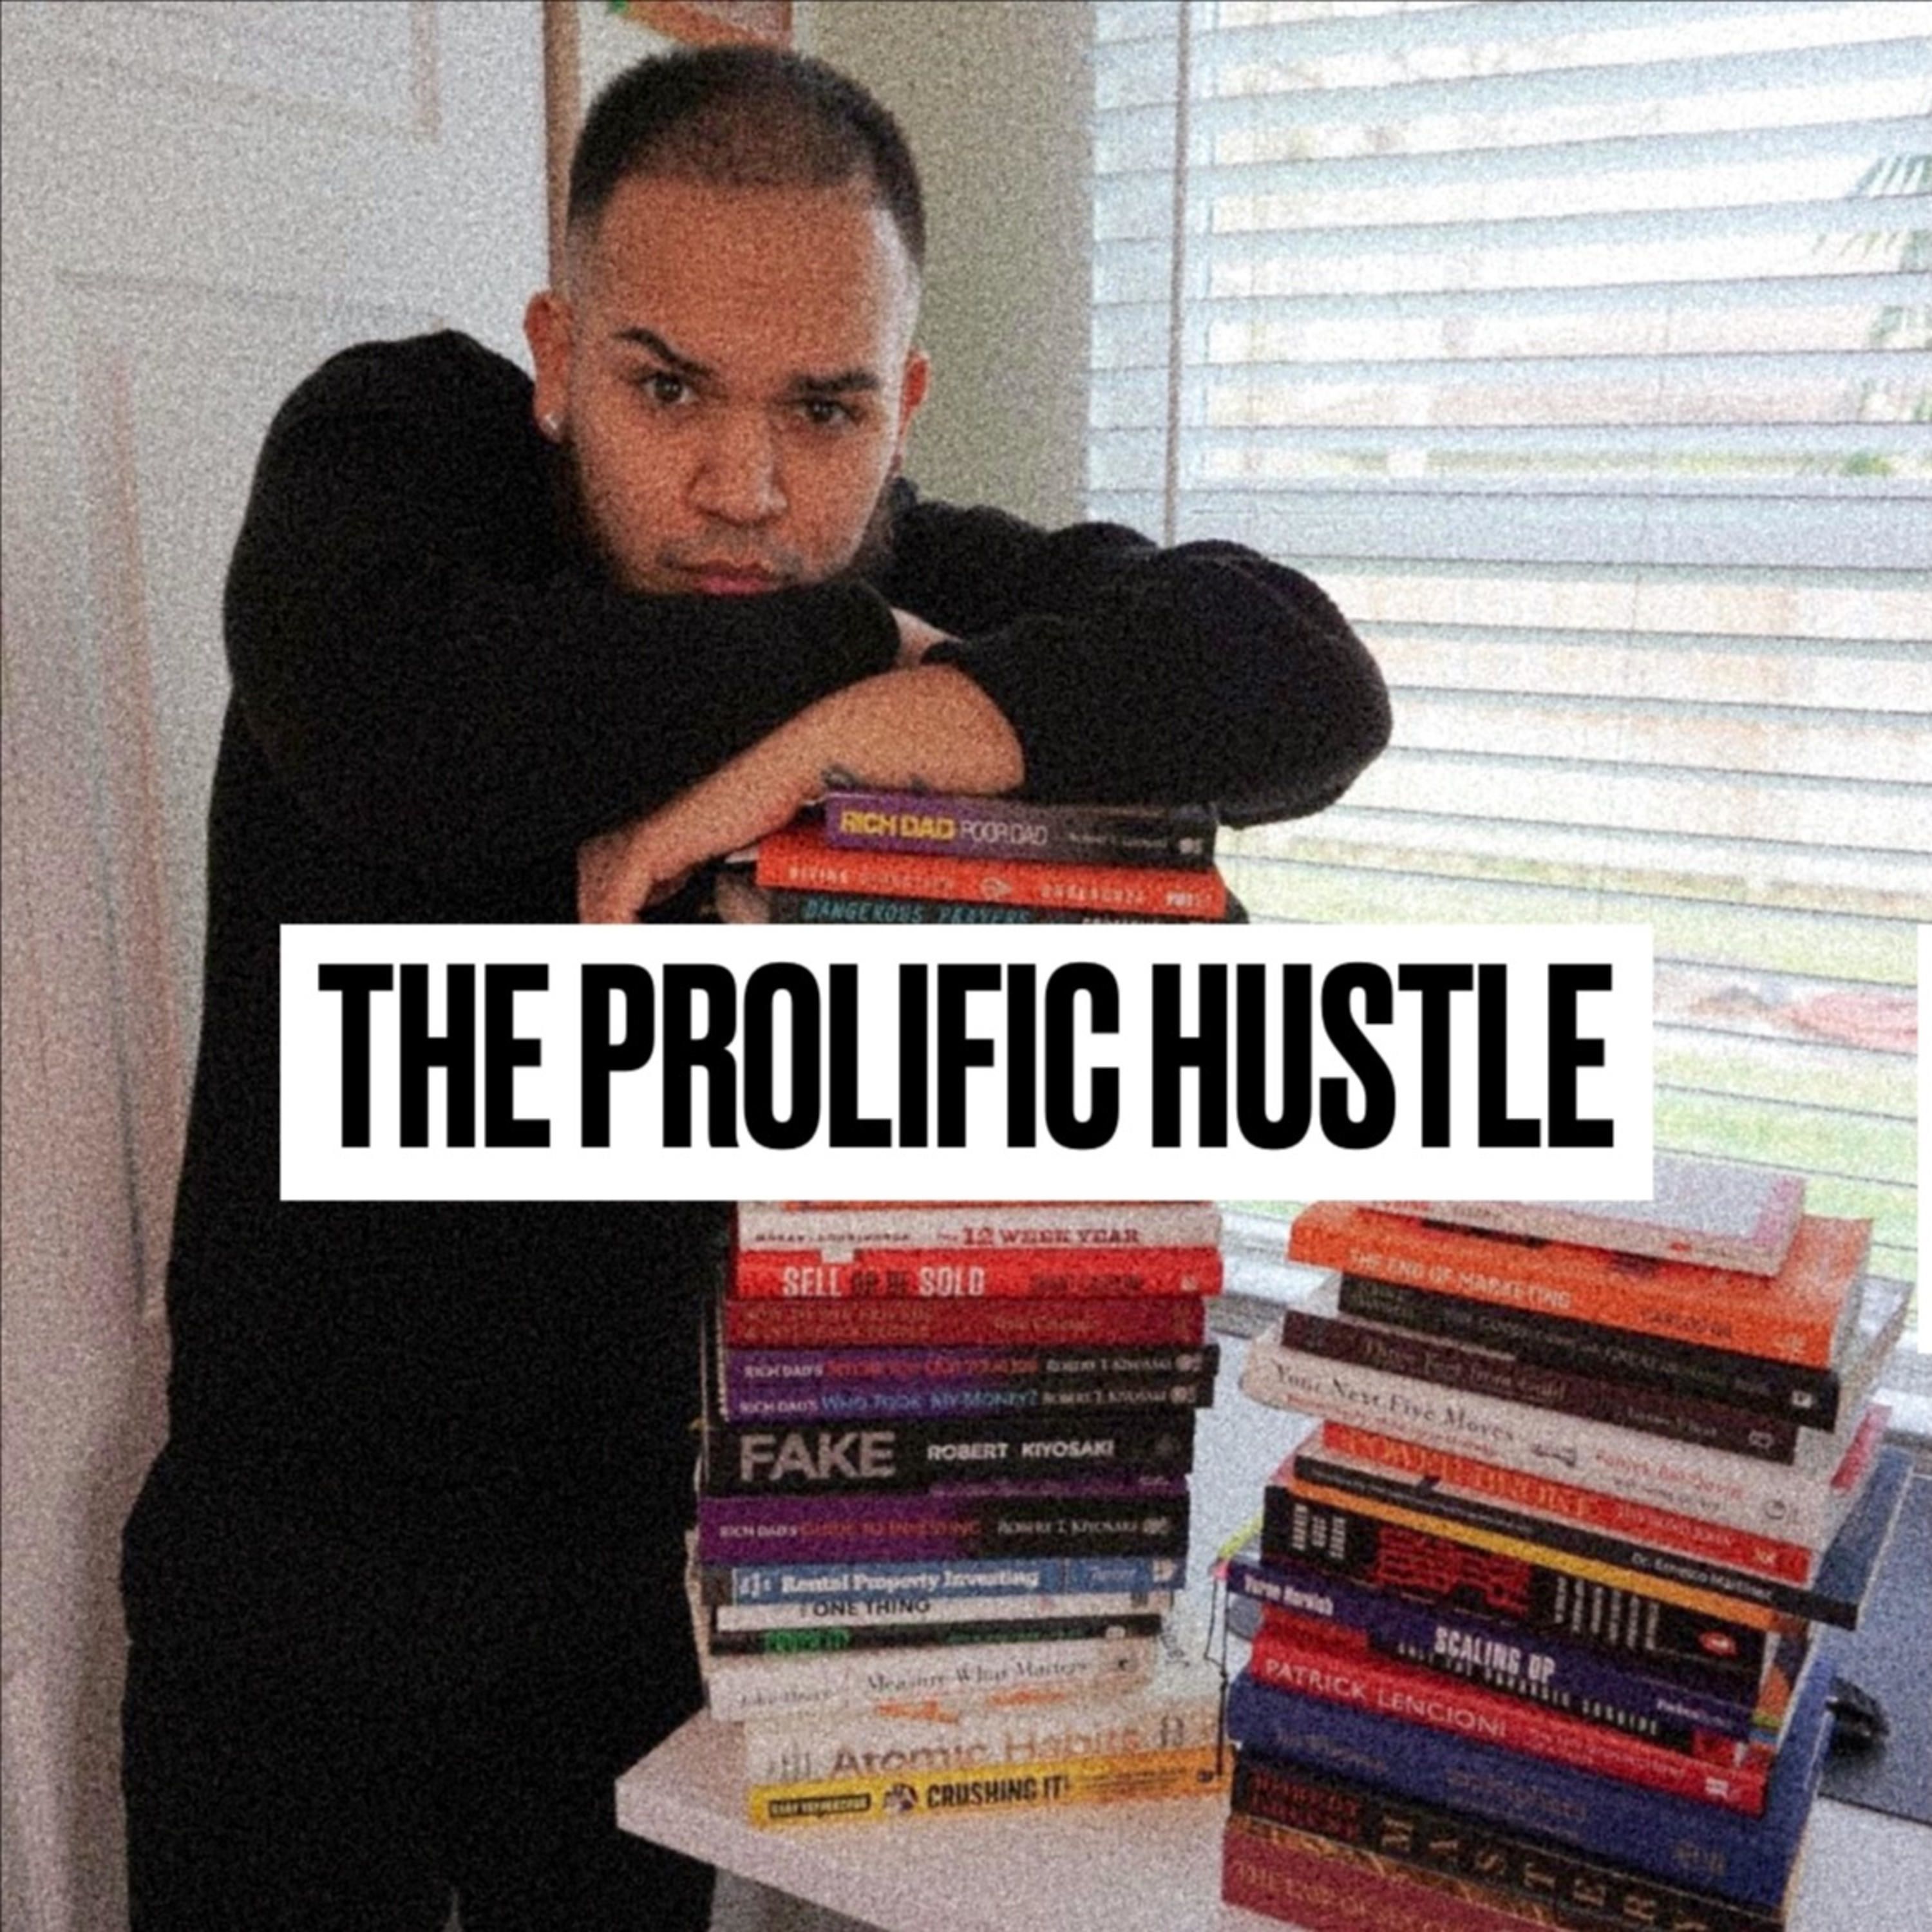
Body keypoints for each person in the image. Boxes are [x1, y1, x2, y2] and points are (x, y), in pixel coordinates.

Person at [119, 44, 1390, 1932]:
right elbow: (398, 721)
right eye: (666, 389)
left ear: (904, 400)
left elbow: (1304, 681)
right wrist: (856, 652)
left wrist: (869, 725)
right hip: (297, 1577)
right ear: (559, 359)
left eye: (825, 406)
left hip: (640, 1595)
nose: (747, 485)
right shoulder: (409, 452)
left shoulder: (904, 546)